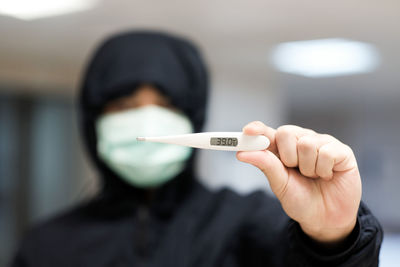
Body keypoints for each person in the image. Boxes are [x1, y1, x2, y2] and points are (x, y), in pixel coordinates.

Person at [11, 31, 382, 267]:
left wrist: (334, 239)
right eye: (124, 106)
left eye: (167, 105)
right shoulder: (46, 246)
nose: (147, 120)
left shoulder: (251, 225)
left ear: (194, 115)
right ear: (93, 118)